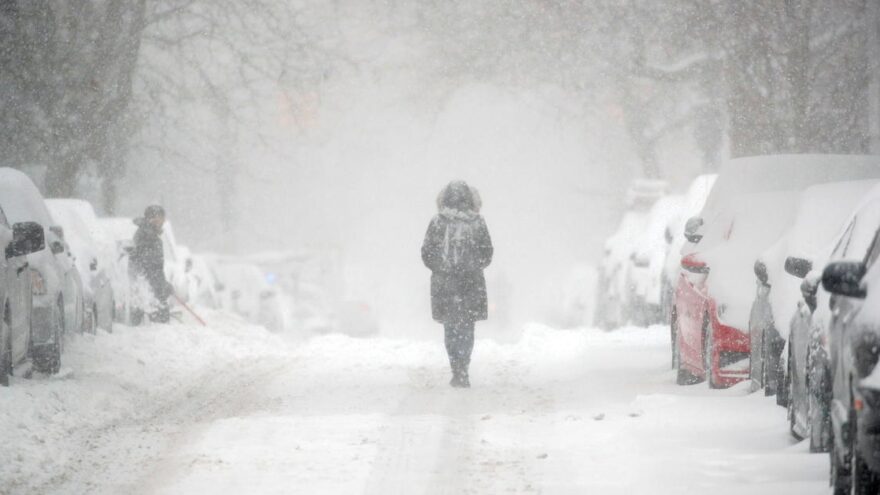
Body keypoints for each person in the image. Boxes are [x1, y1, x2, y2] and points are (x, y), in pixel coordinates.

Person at [421, 181, 493, 388]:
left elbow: (427, 253)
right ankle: (464, 367)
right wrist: (472, 267)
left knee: (451, 328)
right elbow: (487, 253)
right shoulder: (478, 223)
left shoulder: (437, 222)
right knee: (467, 328)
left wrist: (442, 268)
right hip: (471, 285)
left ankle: (456, 368)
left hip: (445, 286)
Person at [130, 205, 173, 323]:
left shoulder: (149, 234)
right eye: (161, 218)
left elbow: (155, 267)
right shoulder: (148, 236)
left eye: (163, 218)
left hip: (149, 292)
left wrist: (164, 285)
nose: (163, 221)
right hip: (147, 294)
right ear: (152, 218)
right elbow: (150, 267)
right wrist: (162, 287)